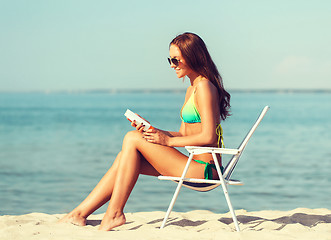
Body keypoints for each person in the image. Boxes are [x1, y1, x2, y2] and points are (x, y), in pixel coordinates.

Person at [58, 32, 231, 231]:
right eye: (169, 60)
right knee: (127, 156)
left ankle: (114, 214)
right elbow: (184, 133)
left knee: (132, 138)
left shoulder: (204, 87)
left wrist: (165, 141)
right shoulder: (192, 88)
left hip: (205, 170)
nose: (172, 65)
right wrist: (154, 131)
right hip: (193, 164)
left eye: (176, 59)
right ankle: (79, 214)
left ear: (193, 56)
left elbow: (208, 136)